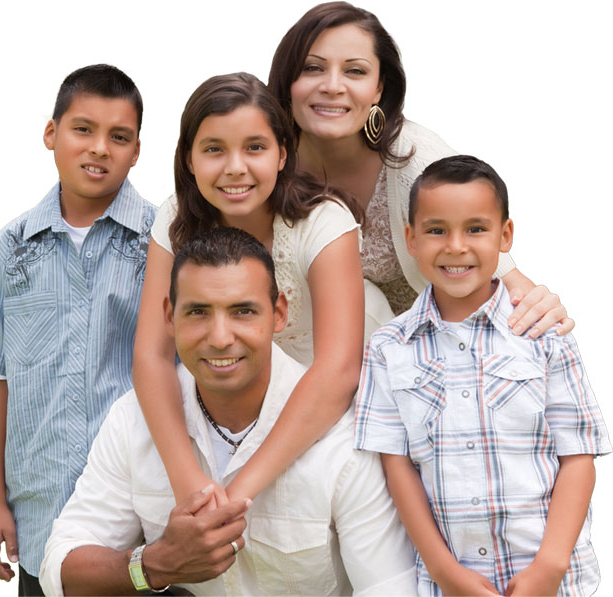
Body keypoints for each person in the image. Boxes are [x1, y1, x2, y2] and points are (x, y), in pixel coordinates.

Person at [39, 227, 417, 596]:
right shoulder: (133, 420)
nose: (220, 338)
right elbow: (61, 568)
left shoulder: (345, 441)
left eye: (243, 311)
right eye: (198, 312)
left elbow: (389, 587)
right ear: (169, 316)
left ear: (279, 313)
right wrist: (155, 565)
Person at [355, 155, 611, 596]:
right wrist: (444, 572)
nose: (456, 246)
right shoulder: (388, 348)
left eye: (475, 228)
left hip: (553, 580)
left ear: (505, 236)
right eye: (436, 230)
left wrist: (550, 566)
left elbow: (578, 455)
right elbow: (397, 467)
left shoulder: (543, 334)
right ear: (411, 239)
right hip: (449, 584)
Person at [134, 72, 392, 508]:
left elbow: (338, 369)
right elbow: (151, 354)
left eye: (254, 147)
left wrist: (238, 492)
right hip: (239, 397)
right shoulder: (175, 217)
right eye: (214, 149)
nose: (236, 167)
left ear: (281, 154)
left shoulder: (323, 220)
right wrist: (190, 486)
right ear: (189, 159)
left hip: (343, 397)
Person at [0, 64, 155, 595]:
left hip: (138, 515)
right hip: (39, 511)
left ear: (137, 150)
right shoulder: (10, 250)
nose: (99, 148)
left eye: (119, 137)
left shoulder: (163, 243)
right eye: (82, 129)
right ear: (52, 134)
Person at [268, 0, 572, 332]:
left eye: (355, 71)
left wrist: (538, 308)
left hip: (425, 353)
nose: (332, 85)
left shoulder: (418, 161)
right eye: (313, 68)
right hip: (301, 341)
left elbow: (494, 267)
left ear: (379, 88)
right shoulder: (261, 157)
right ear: (288, 80)